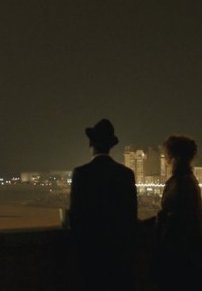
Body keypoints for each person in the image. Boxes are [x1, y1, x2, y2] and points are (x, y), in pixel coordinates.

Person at [68, 118, 139, 290]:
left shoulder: (81, 173)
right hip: (120, 254)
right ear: (111, 146)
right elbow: (131, 215)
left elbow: (76, 215)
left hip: (92, 253)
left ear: (90, 144)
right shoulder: (126, 174)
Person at [153, 135, 202, 290]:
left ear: (175, 158)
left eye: (167, 157)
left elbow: (176, 219)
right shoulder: (188, 181)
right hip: (188, 259)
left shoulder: (181, 184)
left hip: (179, 259)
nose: (166, 161)